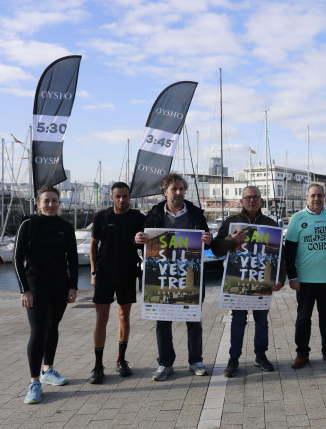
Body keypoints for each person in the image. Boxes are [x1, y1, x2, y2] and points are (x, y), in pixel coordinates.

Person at [134, 173, 214, 381]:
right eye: (174, 189)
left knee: (193, 319)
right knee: (162, 320)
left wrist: (209, 238)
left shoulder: (196, 215)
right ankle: (165, 363)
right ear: (164, 192)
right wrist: (138, 239)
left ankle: (195, 360)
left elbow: (207, 240)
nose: (179, 193)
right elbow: (142, 240)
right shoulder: (152, 215)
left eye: (181, 189)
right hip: (162, 276)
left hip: (190, 275)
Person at [213, 185, 285, 377]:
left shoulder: (271, 224)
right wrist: (231, 240)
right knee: (238, 321)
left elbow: (281, 255)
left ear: (261, 200)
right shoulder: (231, 223)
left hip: (262, 281)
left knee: (262, 322)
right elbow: (216, 249)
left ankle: (261, 355)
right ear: (242, 201)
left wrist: (281, 278)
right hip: (239, 281)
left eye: (255, 197)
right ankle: (233, 359)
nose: (251, 200)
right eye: (248, 197)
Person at [15, 186, 78, 404]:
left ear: (59, 203)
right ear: (38, 203)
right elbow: (17, 259)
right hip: (36, 284)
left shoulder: (65, 227)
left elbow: (72, 259)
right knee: (38, 330)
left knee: (53, 327)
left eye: (54, 201)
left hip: (59, 285)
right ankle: (34, 382)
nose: (50, 205)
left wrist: (73, 286)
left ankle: (48, 369)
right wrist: (24, 289)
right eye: (46, 201)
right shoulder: (29, 224)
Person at [88, 182, 145, 384]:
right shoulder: (101, 217)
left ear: (130, 197)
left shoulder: (138, 218)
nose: (122, 200)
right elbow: (93, 246)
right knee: (101, 319)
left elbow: (147, 246)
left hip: (128, 273)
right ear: (111, 197)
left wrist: (143, 277)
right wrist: (93, 272)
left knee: (124, 316)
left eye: (125, 196)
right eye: (118, 196)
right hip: (104, 273)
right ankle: (98, 364)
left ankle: (121, 359)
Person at [285, 184, 326, 369]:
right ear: (307, 198)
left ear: (324, 197)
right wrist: (292, 277)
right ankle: (302, 354)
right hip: (305, 280)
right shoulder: (297, 218)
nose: (316, 198)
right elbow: (289, 252)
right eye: (313, 195)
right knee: (303, 318)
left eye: (320, 195)